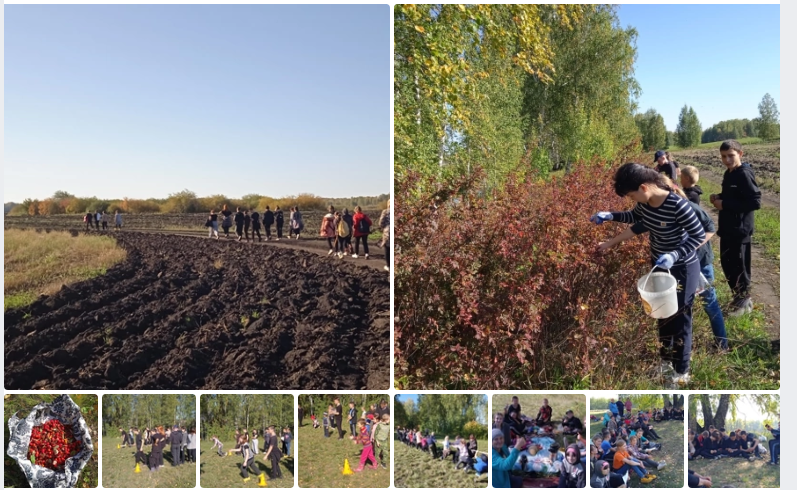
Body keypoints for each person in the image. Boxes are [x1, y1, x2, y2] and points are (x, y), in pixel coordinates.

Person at [593, 163, 705, 386]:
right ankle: (665, 361)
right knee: (661, 315)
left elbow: (698, 235)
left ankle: (681, 371)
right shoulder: (645, 204)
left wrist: (675, 254)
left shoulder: (677, 205)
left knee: (681, 319)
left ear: (644, 187)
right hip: (660, 266)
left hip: (682, 268)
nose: (632, 199)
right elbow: (632, 217)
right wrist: (609, 216)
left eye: (632, 194)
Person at [710, 139, 762, 316]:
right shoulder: (729, 173)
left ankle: (744, 303)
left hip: (740, 230)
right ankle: (738, 299)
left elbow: (755, 201)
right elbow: (732, 196)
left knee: (739, 267)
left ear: (740, 154)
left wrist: (725, 204)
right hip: (727, 228)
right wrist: (719, 196)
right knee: (727, 263)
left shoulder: (744, 174)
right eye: (723, 156)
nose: (727, 160)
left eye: (731, 156)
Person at [379, 200, 391, 272]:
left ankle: (388, 266)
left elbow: (381, 223)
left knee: (387, 249)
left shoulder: (385, 212)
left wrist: (384, 227)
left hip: (388, 232)